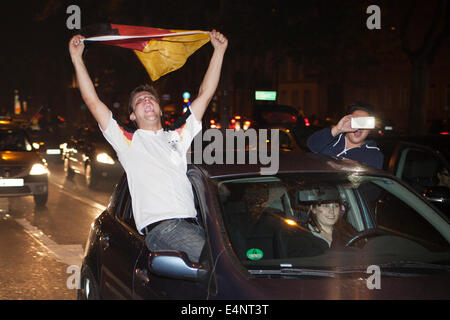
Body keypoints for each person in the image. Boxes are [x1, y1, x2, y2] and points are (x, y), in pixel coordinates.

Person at [69, 30, 228, 263]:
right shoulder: (128, 140)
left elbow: (204, 95)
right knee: (220, 265)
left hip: (192, 226)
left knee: (234, 260)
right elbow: (93, 101)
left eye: (150, 98)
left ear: (160, 109)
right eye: (139, 101)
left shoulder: (178, 134)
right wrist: (76, 57)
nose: (146, 101)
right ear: (132, 116)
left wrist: (219, 50)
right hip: (164, 230)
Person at [306, 102, 384, 169]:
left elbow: (368, 184)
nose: (359, 127)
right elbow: (311, 145)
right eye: (356, 122)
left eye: (364, 123)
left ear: (370, 129)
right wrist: (338, 129)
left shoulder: (373, 155)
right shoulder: (331, 138)